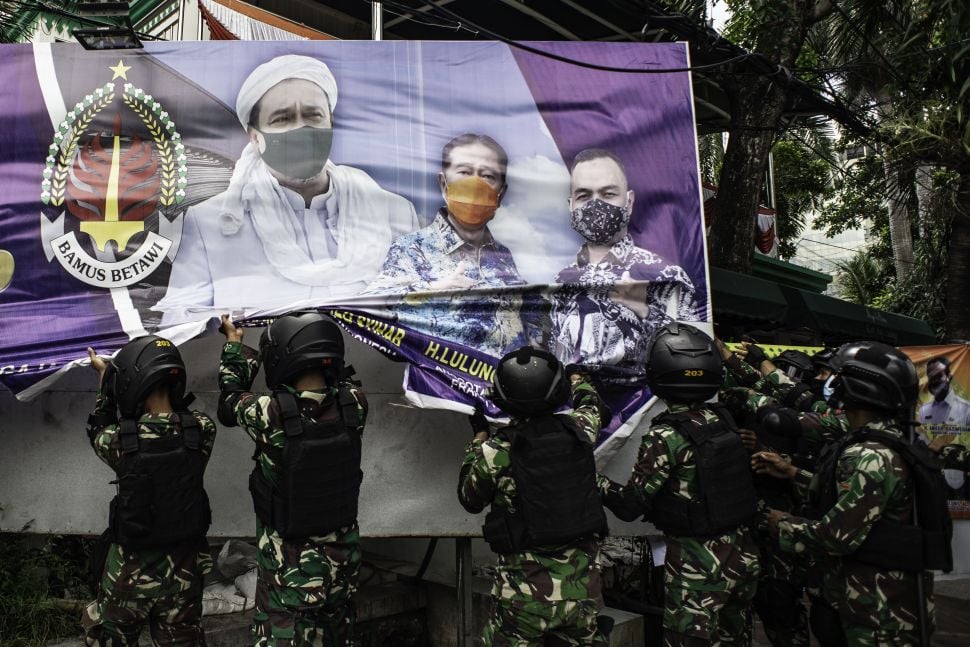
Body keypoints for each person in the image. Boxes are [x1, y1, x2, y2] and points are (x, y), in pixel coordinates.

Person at [157, 55, 419, 325]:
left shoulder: (393, 212)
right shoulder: (210, 222)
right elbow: (182, 328)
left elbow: (423, 311)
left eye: (312, 115)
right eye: (282, 119)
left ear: (331, 123)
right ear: (255, 137)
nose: (301, 128)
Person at [759, 341, 951, 645]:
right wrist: (795, 473)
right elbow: (863, 502)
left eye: (837, 377)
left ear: (857, 388)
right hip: (881, 604)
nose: (831, 384)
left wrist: (780, 523)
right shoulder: (891, 441)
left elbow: (836, 535)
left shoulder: (870, 454)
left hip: (876, 614)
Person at [601, 323, 760, 646]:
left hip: (697, 566)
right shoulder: (723, 418)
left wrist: (593, 480)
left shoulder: (667, 436)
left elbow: (631, 503)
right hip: (742, 555)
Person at [218, 312, 367, 645]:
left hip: (290, 576)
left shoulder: (269, 413)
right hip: (343, 570)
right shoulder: (355, 403)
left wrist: (234, 345)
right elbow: (336, 387)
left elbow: (229, 403)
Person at [458, 346, 611, 645]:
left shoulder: (497, 452)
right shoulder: (580, 431)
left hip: (523, 600)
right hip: (582, 594)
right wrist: (578, 378)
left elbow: (469, 498)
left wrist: (478, 439)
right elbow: (592, 406)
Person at [82, 337, 216, 646]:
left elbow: (99, 428)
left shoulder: (116, 441)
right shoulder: (202, 430)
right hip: (185, 576)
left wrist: (106, 384)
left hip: (129, 579)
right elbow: (180, 418)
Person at [364, 133, 533, 357]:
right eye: (464, 172)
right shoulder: (412, 248)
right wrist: (433, 291)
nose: (475, 183)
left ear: (501, 194)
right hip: (437, 385)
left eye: (488, 176)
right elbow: (369, 309)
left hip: (505, 386)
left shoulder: (502, 256)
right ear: (443, 184)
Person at [549, 149, 701, 386]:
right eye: (583, 196)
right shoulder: (559, 280)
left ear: (628, 201)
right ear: (571, 205)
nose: (595, 204)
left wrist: (645, 312)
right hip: (572, 410)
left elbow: (692, 354)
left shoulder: (664, 275)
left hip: (642, 411)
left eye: (608, 193)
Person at [920, 356, 970, 430]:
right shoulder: (923, 411)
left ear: (949, 376)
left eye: (939, 376)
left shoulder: (967, 410)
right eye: (932, 378)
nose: (935, 381)